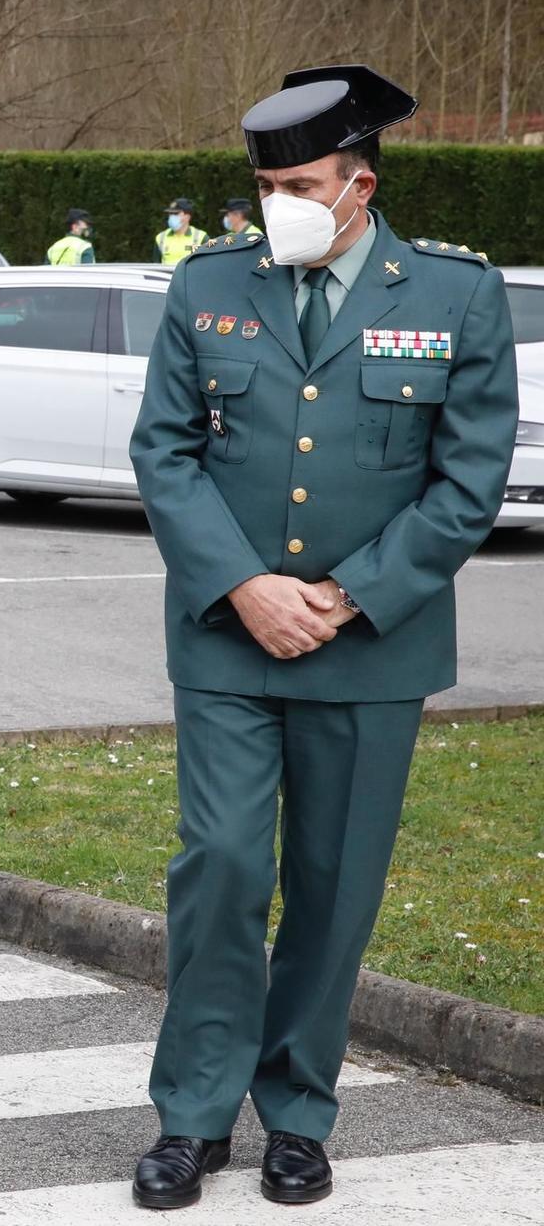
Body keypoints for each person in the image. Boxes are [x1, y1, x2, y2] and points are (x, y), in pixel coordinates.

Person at [127, 65, 517, 1212]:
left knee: (333, 885)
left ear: (357, 184)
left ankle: (296, 1110)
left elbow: (467, 480)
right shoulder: (207, 285)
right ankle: (190, 1116)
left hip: (371, 644)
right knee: (224, 867)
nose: (272, 204)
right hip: (226, 637)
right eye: (261, 184)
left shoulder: (450, 293)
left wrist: (343, 596)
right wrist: (244, 584)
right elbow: (163, 452)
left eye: (296, 183)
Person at [153, 197, 207, 265]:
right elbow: (155, 266)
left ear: (187, 216)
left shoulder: (201, 237)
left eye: (175, 214)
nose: (171, 217)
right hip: (166, 275)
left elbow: (207, 264)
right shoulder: (160, 238)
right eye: (170, 213)